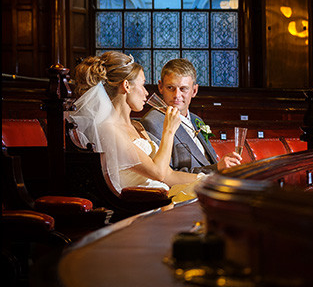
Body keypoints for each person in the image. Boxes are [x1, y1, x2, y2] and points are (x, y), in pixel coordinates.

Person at [68, 51, 202, 202]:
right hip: (141, 206)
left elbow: (168, 174)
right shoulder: (109, 129)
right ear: (126, 86)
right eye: (143, 85)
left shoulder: (136, 126)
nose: (146, 93)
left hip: (162, 198)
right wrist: (169, 130)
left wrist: (206, 179)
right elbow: (159, 173)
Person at [140, 58, 241, 174]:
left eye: (183, 89)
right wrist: (216, 169)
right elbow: (168, 174)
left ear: (194, 90)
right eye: (170, 88)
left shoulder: (196, 119)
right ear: (160, 87)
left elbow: (208, 161)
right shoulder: (152, 122)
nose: (177, 95)